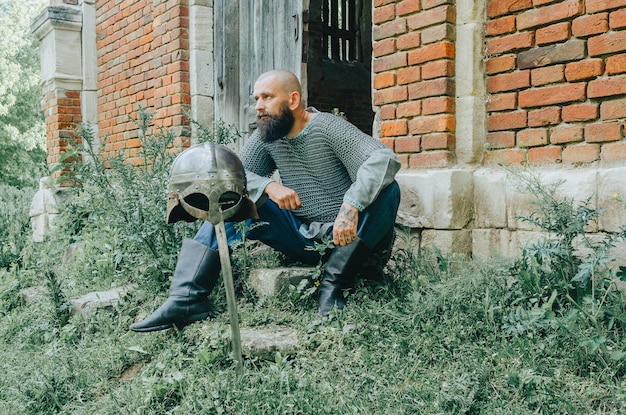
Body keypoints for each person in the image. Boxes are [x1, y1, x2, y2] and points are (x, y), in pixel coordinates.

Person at [130, 69, 401, 332]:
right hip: (304, 238)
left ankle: (332, 285)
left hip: (352, 240)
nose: (258, 106)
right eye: (255, 99)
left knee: (390, 190)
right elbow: (233, 176)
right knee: (229, 199)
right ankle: (186, 298)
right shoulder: (269, 137)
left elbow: (382, 158)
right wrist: (269, 186)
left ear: (293, 100)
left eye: (267, 97)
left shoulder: (327, 127)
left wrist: (351, 205)